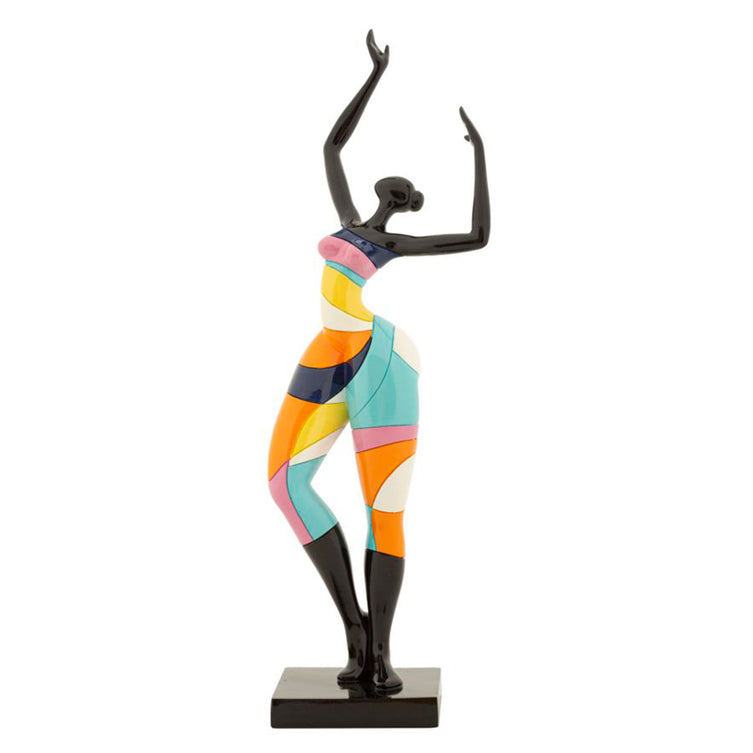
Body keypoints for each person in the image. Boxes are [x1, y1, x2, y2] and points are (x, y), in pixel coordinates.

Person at [268, 30, 490, 693]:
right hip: (328, 352)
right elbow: (332, 147)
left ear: (401, 201)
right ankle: (356, 632)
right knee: (285, 483)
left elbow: (478, 236)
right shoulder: (347, 221)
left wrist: (480, 154)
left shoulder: (394, 243)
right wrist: (374, 75)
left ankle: (382, 656)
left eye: (400, 190)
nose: (392, 188)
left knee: (382, 506)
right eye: (391, 185)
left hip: (380, 359)